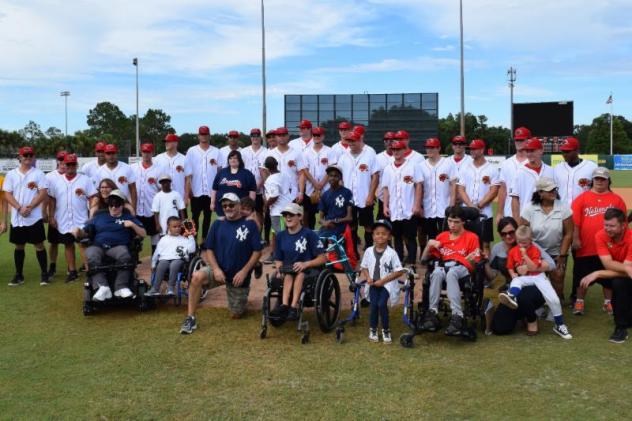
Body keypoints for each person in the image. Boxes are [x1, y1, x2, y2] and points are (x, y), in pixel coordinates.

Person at [180, 193, 262, 333]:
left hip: (239, 274)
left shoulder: (250, 225)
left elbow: (257, 251)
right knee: (197, 277)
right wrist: (216, 269)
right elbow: (209, 249)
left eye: (231, 205)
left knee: (236, 314)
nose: (227, 208)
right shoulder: (218, 224)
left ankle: (255, 266)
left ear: (239, 206)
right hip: (220, 270)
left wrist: (244, 271)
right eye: (224, 206)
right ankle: (190, 318)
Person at [498, 225, 572, 339]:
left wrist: (524, 255)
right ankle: (512, 296)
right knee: (516, 281)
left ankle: (559, 325)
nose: (521, 245)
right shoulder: (513, 251)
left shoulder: (535, 249)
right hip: (525, 278)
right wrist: (512, 273)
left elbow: (533, 267)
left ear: (531, 240)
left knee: (554, 299)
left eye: (525, 243)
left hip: (538, 276)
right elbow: (510, 266)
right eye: (519, 242)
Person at [485, 217, 556, 336]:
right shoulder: (497, 248)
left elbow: (552, 264)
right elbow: (491, 276)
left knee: (523, 296)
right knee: (500, 328)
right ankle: (520, 315)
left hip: (535, 285)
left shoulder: (530, 245)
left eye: (511, 232)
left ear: (517, 231)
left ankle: (531, 319)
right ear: (500, 235)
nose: (508, 236)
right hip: (511, 291)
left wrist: (530, 267)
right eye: (504, 233)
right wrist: (485, 262)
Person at [73, 190, 146, 301]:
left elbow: (143, 233)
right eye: (111, 205)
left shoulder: (128, 217)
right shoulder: (99, 217)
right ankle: (103, 287)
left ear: (122, 204)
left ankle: (121, 287)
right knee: (91, 254)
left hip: (118, 246)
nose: (113, 208)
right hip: (99, 246)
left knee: (124, 255)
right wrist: (78, 231)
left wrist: (132, 225)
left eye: (117, 205)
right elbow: (85, 232)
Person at [571, 167, 626, 312]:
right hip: (586, 246)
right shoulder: (582, 198)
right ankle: (579, 301)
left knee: (608, 276)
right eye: (597, 178)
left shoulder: (616, 199)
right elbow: (575, 222)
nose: (599, 181)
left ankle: (608, 302)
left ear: (608, 180)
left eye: (603, 179)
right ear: (592, 180)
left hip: (609, 247)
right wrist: (575, 239)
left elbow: (623, 224)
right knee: (581, 276)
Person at [420, 206, 481, 335]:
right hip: (444, 267)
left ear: (463, 222)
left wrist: (466, 261)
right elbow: (423, 259)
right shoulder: (442, 237)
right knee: (436, 272)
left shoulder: (472, 238)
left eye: (456, 222)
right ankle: (432, 312)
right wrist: (429, 244)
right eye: (450, 221)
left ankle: (457, 315)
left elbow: (475, 264)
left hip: (462, 269)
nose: (452, 225)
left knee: (452, 272)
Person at [579, 208, 632, 343]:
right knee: (617, 282)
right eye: (606, 225)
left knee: (619, 283)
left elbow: (627, 270)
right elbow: (611, 265)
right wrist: (598, 272)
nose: (608, 229)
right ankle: (621, 325)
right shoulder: (600, 235)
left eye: (612, 226)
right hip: (622, 273)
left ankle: (621, 328)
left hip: (626, 278)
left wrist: (598, 273)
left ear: (623, 225)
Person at [520, 177, 573, 301]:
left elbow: (568, 234)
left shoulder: (563, 207)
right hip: (536, 252)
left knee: (558, 276)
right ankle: (538, 302)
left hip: (557, 251)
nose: (553, 192)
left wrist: (563, 255)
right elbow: (523, 231)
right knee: (535, 278)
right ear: (540, 193)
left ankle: (556, 301)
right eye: (549, 190)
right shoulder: (530, 208)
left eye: (554, 189)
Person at [3, 146, 50, 286]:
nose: (28, 157)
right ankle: (19, 275)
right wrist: (18, 208)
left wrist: (30, 207)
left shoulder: (39, 174)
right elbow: (7, 193)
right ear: (20, 157)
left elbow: (43, 193)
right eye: (25, 155)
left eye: (30, 155)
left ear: (33, 157)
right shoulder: (11, 174)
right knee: (19, 246)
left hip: (33, 216)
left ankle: (44, 274)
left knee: (39, 245)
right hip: (18, 218)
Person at [47, 153, 97, 282]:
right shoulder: (56, 180)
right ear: (63, 164)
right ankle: (72, 271)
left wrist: (91, 214)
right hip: (62, 218)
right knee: (68, 245)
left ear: (76, 165)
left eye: (72, 164)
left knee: (83, 245)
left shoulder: (85, 179)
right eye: (67, 164)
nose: (70, 166)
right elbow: (52, 200)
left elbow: (93, 197)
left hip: (81, 218)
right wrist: (51, 216)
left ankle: (89, 270)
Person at [272, 203, 326, 321]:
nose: (288, 218)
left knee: (300, 274)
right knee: (288, 274)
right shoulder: (280, 236)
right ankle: (285, 305)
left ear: (300, 216)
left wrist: (305, 264)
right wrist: (279, 269)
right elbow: (278, 259)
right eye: (285, 215)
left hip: (309, 270)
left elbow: (323, 258)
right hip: (289, 270)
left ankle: (293, 307)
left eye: (291, 215)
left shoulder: (309, 234)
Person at [358, 219, 405, 344]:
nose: (380, 236)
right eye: (377, 233)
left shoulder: (392, 253)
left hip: (386, 285)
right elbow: (364, 266)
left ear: (389, 237)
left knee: (382, 305)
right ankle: (373, 329)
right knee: (373, 306)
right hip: (373, 284)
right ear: (373, 235)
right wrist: (368, 277)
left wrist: (383, 281)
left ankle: (386, 329)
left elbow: (399, 271)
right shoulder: (368, 251)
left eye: (384, 234)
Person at [381, 140, 423, 266]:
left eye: (399, 149)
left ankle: (411, 262)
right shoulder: (388, 168)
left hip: (409, 208)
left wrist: (416, 205)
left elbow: (419, 186)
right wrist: (385, 206)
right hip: (394, 208)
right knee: (396, 236)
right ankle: (398, 260)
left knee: (410, 236)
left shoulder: (413, 166)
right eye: (394, 149)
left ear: (405, 150)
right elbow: (386, 189)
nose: (396, 152)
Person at [338, 130, 379, 252]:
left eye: (353, 141)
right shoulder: (344, 156)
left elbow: (375, 176)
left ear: (360, 140)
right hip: (349, 199)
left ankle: (369, 249)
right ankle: (353, 252)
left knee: (368, 225)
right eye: (349, 141)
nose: (351, 143)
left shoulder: (369, 155)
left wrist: (371, 195)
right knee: (351, 225)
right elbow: (339, 177)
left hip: (364, 196)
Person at [457, 139, 499, 255]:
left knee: (485, 243)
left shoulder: (492, 168)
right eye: (471, 149)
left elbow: (494, 190)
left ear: (482, 149)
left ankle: (486, 269)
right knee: (466, 241)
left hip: (485, 211)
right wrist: (471, 206)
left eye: (475, 148)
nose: (472, 151)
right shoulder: (465, 167)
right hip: (467, 211)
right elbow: (461, 189)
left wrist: (479, 205)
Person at [184, 125, 221, 241]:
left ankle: (204, 239)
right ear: (198, 136)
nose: (204, 136)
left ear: (209, 136)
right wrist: (188, 189)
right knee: (194, 217)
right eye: (202, 134)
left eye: (205, 134)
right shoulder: (191, 150)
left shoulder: (216, 151)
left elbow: (220, 171)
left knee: (208, 217)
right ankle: (192, 240)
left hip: (211, 191)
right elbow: (188, 172)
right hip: (196, 190)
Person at [146, 216, 196, 296]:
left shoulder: (183, 239)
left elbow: (192, 249)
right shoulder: (164, 239)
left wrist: (190, 235)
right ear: (169, 227)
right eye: (174, 227)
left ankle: (171, 288)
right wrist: (153, 263)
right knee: (161, 265)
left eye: (179, 226)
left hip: (178, 259)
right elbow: (156, 252)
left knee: (174, 264)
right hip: (165, 259)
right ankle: (155, 288)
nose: (177, 229)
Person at [419, 137, 457, 242]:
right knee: (431, 236)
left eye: (432, 147)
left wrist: (452, 204)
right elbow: (419, 188)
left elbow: (453, 184)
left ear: (439, 148)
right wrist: (420, 206)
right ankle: (433, 257)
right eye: (427, 147)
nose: (429, 150)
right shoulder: (421, 166)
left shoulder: (448, 163)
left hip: (444, 206)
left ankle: (445, 257)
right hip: (428, 207)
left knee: (446, 235)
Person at [510, 137, 554, 221]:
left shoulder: (551, 171)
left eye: (532, 150)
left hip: (548, 219)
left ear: (541, 150)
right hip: (527, 219)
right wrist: (517, 222)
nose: (529, 154)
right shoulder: (519, 172)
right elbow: (515, 199)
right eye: (527, 151)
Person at [132, 143, 164, 255]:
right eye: (144, 152)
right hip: (136, 210)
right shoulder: (133, 168)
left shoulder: (159, 170)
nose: (146, 154)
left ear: (152, 153)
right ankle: (133, 265)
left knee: (155, 236)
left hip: (152, 210)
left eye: (148, 152)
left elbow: (162, 190)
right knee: (134, 239)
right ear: (141, 152)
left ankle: (154, 263)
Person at [262, 156, 293, 263]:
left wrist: (265, 204)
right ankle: (274, 255)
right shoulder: (285, 175)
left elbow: (274, 196)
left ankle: (284, 258)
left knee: (281, 234)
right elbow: (289, 188)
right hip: (287, 207)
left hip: (278, 211)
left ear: (266, 168)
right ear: (276, 164)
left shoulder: (271, 179)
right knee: (275, 233)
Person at [303, 126, 333, 229]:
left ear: (323, 136)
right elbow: (305, 169)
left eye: (318, 135)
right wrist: (315, 183)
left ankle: (326, 238)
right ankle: (309, 236)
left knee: (327, 214)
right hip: (310, 189)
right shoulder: (306, 151)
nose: (316, 137)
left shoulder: (329, 150)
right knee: (308, 215)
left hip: (327, 189)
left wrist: (321, 184)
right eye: (314, 135)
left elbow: (331, 168)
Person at [496, 127, 530, 220]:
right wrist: (499, 212)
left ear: (528, 141)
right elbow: (503, 189)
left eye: (521, 140)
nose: (518, 142)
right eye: (517, 140)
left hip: (530, 214)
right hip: (509, 213)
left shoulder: (533, 162)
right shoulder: (506, 164)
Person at [211, 150, 256, 219]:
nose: (233, 160)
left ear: (240, 160)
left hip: (240, 209)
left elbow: (252, 191)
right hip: (222, 208)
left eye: (235, 158)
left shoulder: (247, 174)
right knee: (223, 227)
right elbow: (214, 189)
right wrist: (212, 203)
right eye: (230, 158)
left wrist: (249, 207)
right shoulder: (222, 172)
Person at [266, 127, 306, 203]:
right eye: (279, 135)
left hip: (292, 193)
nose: (281, 137)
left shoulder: (296, 153)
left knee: (291, 214)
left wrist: (301, 192)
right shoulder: (270, 153)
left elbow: (301, 174)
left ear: (288, 136)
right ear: (276, 137)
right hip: (275, 193)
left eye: (284, 135)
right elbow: (266, 172)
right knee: (275, 214)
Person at [554, 137, 597, 207]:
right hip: (562, 212)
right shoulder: (557, 168)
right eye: (563, 151)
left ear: (577, 151)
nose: (564, 154)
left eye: (568, 151)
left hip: (584, 210)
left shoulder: (592, 167)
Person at [92, 144, 137, 209]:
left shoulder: (127, 168)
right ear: (104, 154)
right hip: (106, 207)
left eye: (113, 153)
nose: (111, 156)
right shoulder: (99, 171)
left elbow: (133, 189)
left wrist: (133, 208)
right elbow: (97, 192)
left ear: (117, 154)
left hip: (124, 205)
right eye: (108, 153)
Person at [45, 150, 67, 278]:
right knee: (53, 242)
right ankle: (52, 266)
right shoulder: (49, 176)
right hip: (55, 214)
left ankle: (71, 268)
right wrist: (49, 215)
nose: (63, 162)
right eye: (60, 159)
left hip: (70, 215)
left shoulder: (74, 175)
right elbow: (47, 197)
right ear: (57, 161)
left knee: (70, 243)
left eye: (65, 160)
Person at [318, 165, 353, 239]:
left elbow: (349, 218)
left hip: (341, 227)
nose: (332, 178)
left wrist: (334, 221)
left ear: (340, 177)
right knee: (315, 242)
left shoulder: (347, 192)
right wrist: (325, 223)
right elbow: (320, 219)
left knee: (329, 243)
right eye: (330, 176)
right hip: (327, 227)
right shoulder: (325, 195)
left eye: (335, 176)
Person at [241, 128, 267, 228]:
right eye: (253, 136)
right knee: (244, 211)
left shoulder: (266, 151)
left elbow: (266, 171)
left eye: (257, 136)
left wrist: (259, 185)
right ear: (250, 137)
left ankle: (259, 236)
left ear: (260, 137)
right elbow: (241, 169)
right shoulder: (243, 151)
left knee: (259, 212)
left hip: (261, 188)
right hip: (245, 188)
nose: (255, 138)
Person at [154, 133, 187, 201]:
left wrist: (186, 196)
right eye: (165, 142)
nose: (166, 143)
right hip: (162, 197)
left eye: (169, 141)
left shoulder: (184, 159)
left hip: (179, 197)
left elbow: (188, 180)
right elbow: (154, 177)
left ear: (175, 143)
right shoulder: (158, 158)